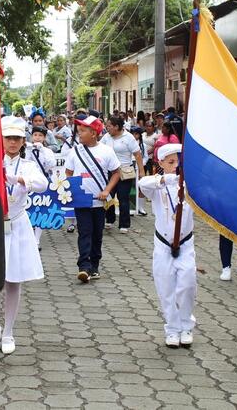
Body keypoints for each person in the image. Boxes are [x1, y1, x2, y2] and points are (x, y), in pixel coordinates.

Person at [0, 116, 49, 355]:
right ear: (1, 139)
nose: (12, 142)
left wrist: (20, 179)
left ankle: (9, 331)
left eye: (17, 138)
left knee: (14, 279)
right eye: (8, 138)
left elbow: (42, 184)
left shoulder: (28, 165)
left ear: (23, 141)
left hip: (18, 223)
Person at [138, 143, 197, 348]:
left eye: (178, 163)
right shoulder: (157, 186)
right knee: (166, 287)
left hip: (185, 243)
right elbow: (142, 184)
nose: (175, 167)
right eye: (170, 162)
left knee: (187, 284)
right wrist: (164, 179)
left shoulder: (189, 185)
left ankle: (186, 325)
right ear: (161, 163)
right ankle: (172, 328)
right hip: (163, 244)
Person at [64, 115, 120, 283]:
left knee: (97, 234)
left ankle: (94, 265)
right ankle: (84, 266)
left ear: (94, 133)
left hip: (99, 202)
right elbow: (68, 172)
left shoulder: (106, 151)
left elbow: (116, 173)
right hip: (81, 202)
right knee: (84, 232)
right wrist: (73, 189)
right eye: (78, 131)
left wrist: (107, 190)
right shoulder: (75, 151)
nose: (79, 134)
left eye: (83, 131)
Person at [101, 116, 145, 233]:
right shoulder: (106, 137)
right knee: (109, 195)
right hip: (110, 171)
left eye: (109, 126)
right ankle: (109, 219)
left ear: (116, 126)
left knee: (123, 197)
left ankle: (124, 224)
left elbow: (137, 154)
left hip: (125, 171)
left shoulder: (128, 137)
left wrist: (141, 171)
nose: (107, 128)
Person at [26, 125, 56, 251]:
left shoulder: (47, 151)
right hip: (29, 182)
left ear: (44, 138)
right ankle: (28, 237)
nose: (37, 138)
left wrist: (42, 150)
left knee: (41, 210)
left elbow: (51, 165)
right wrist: (29, 150)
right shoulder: (27, 149)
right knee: (28, 209)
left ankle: (36, 240)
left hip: (43, 183)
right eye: (35, 135)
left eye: (40, 135)